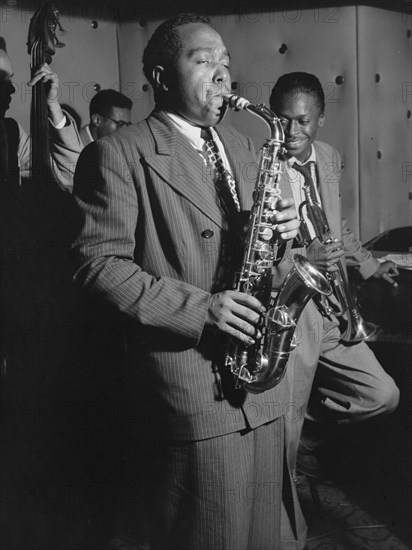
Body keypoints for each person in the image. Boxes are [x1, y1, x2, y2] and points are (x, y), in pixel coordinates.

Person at [71, 13, 306, 550]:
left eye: (226, 63)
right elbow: (98, 267)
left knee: (270, 537)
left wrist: (285, 232)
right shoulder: (116, 153)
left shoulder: (248, 149)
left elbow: (261, 252)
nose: (223, 75)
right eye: (203, 61)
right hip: (195, 387)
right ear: (160, 75)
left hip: (263, 384)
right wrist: (202, 309)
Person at [268, 72, 400, 486]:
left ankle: (305, 434)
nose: (292, 131)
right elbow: (253, 257)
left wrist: (369, 264)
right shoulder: (260, 166)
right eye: (283, 119)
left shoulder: (327, 156)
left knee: (382, 396)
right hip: (293, 311)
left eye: (303, 121)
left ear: (320, 120)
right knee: (281, 451)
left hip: (333, 307)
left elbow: (335, 224)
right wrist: (306, 256)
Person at [0, 36, 82, 192]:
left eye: (10, 80)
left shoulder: (11, 132)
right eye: (0, 79)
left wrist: (52, 105)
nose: (12, 89)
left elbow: (68, 175)